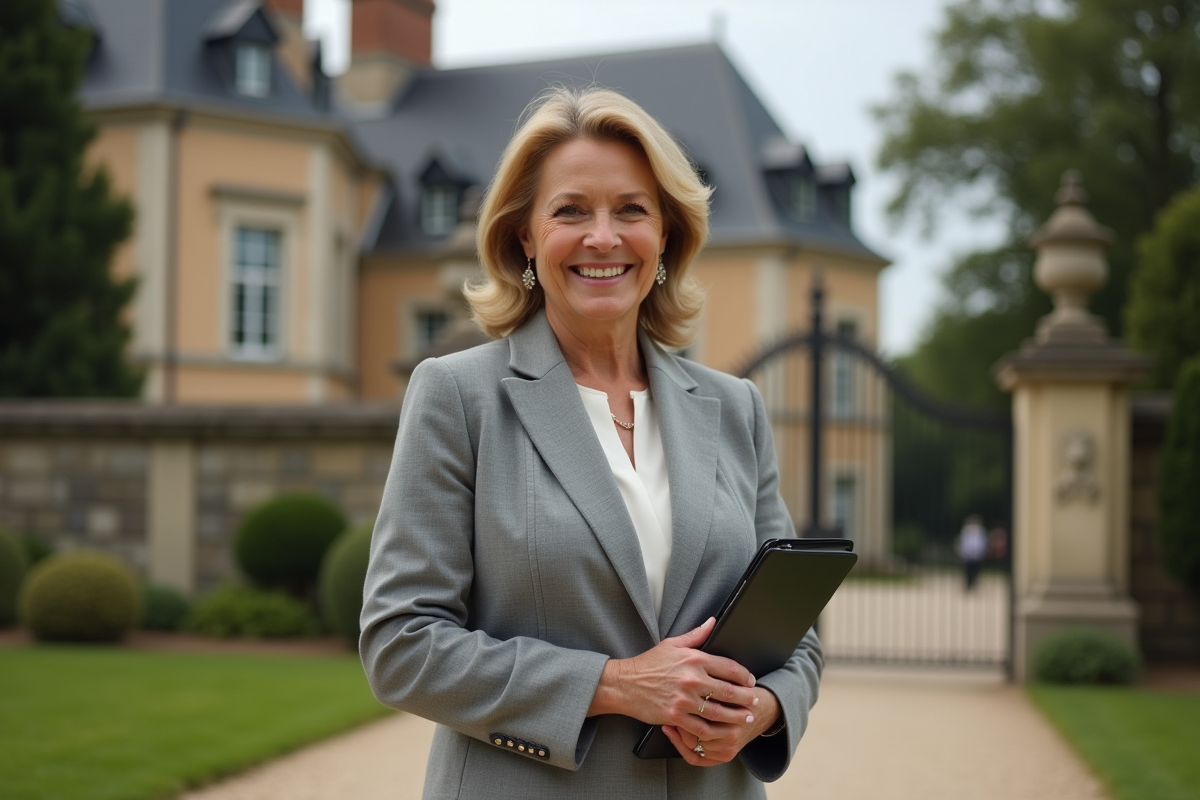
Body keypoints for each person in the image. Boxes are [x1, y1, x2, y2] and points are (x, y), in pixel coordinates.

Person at [359, 87, 823, 799]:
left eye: (630, 210)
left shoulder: (736, 408)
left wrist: (760, 710)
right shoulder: (458, 397)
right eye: (570, 210)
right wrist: (615, 685)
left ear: (665, 235)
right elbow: (400, 644)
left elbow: (796, 633)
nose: (602, 237)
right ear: (525, 236)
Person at [956, 514, 988, 592]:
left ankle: (974, 584)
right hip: (968, 555)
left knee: (976, 571)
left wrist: (983, 552)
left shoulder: (982, 531)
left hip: (977, 555)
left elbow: (983, 543)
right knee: (967, 571)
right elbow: (962, 542)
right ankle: (968, 585)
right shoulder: (965, 531)